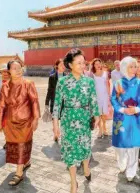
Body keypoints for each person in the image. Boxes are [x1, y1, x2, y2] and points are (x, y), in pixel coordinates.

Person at [52, 48, 100, 193]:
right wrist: (56, 124)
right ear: (70, 65)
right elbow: (57, 104)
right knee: (69, 151)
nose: (82, 65)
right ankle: (73, 182)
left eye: (83, 63)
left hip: (84, 119)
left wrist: (96, 116)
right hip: (68, 119)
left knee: (85, 146)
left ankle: (86, 166)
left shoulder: (89, 81)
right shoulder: (62, 82)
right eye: (78, 63)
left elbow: (93, 101)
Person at [0, 60, 40, 186]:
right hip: (10, 122)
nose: (18, 70)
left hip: (25, 121)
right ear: (9, 71)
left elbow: (34, 101)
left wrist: (36, 118)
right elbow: (2, 106)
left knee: (22, 144)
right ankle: (25, 162)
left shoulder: (28, 84)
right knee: (15, 145)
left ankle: (19, 173)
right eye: (14, 68)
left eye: (20, 67)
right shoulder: (5, 86)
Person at [111, 56, 140, 182]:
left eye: (135, 66)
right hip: (122, 118)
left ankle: (131, 170)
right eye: (131, 66)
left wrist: (137, 109)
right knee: (121, 146)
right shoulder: (118, 83)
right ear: (124, 68)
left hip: (136, 118)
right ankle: (122, 160)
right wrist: (122, 109)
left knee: (134, 146)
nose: (135, 68)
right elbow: (113, 99)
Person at [45, 59, 66, 142]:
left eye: (64, 65)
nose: (63, 66)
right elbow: (49, 90)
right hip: (54, 101)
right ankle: (55, 134)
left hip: (65, 102)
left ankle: (62, 133)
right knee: (55, 119)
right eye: (61, 65)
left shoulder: (67, 76)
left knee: (64, 119)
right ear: (56, 66)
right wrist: (47, 103)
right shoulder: (52, 77)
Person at [90, 58, 110, 138]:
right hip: (96, 96)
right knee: (98, 114)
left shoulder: (105, 73)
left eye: (99, 63)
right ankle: (100, 130)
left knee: (104, 114)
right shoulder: (92, 74)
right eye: (96, 64)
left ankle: (104, 128)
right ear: (94, 66)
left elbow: (107, 84)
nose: (98, 65)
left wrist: (109, 96)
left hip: (104, 96)